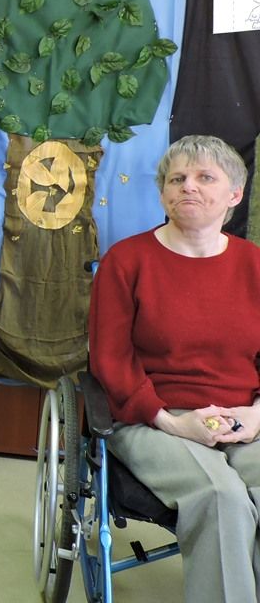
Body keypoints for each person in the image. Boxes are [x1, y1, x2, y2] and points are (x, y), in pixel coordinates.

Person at [90, 134, 260, 603]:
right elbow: (110, 359)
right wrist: (172, 422)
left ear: (234, 195)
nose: (188, 186)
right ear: (163, 192)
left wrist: (256, 416)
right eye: (176, 178)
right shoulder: (128, 261)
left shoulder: (254, 266)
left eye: (205, 177)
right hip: (154, 419)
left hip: (243, 417)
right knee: (220, 496)